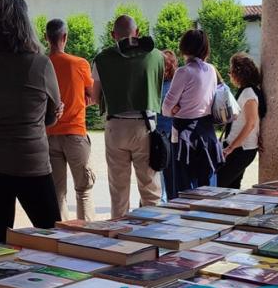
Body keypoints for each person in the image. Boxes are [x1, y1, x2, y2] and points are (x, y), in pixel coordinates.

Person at [0, 0, 63, 243]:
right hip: (28, 159)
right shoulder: (40, 65)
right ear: (25, 23)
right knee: (51, 233)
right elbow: (51, 118)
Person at [92, 15, 164, 218]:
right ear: (138, 32)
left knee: (118, 191)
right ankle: (153, 236)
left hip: (116, 126)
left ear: (113, 35)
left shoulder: (102, 59)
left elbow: (96, 97)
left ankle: (118, 236)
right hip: (145, 126)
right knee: (150, 190)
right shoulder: (157, 56)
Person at [44, 18, 96, 221]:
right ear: (65, 37)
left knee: (58, 192)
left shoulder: (42, 63)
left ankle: (61, 235)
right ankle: (87, 235)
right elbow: (93, 94)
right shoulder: (79, 63)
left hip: (50, 133)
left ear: (46, 38)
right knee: (83, 189)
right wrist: (80, 101)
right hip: (75, 132)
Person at [161, 29, 221, 194]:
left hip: (184, 135)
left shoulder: (183, 72)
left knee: (183, 189)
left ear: (184, 46)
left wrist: (176, 108)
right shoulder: (211, 70)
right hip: (207, 133)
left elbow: (166, 109)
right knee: (206, 187)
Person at [216, 52, 265, 189]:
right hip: (239, 148)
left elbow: (251, 123)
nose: (229, 74)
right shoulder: (247, 91)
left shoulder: (248, 92)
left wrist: (231, 147)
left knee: (217, 186)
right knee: (231, 188)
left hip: (241, 149)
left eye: (231, 71)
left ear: (239, 74)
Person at [157, 50, 178, 201]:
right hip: (163, 133)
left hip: (167, 133)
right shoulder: (169, 84)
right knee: (163, 173)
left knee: (165, 172)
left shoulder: (170, 85)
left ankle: (165, 201)